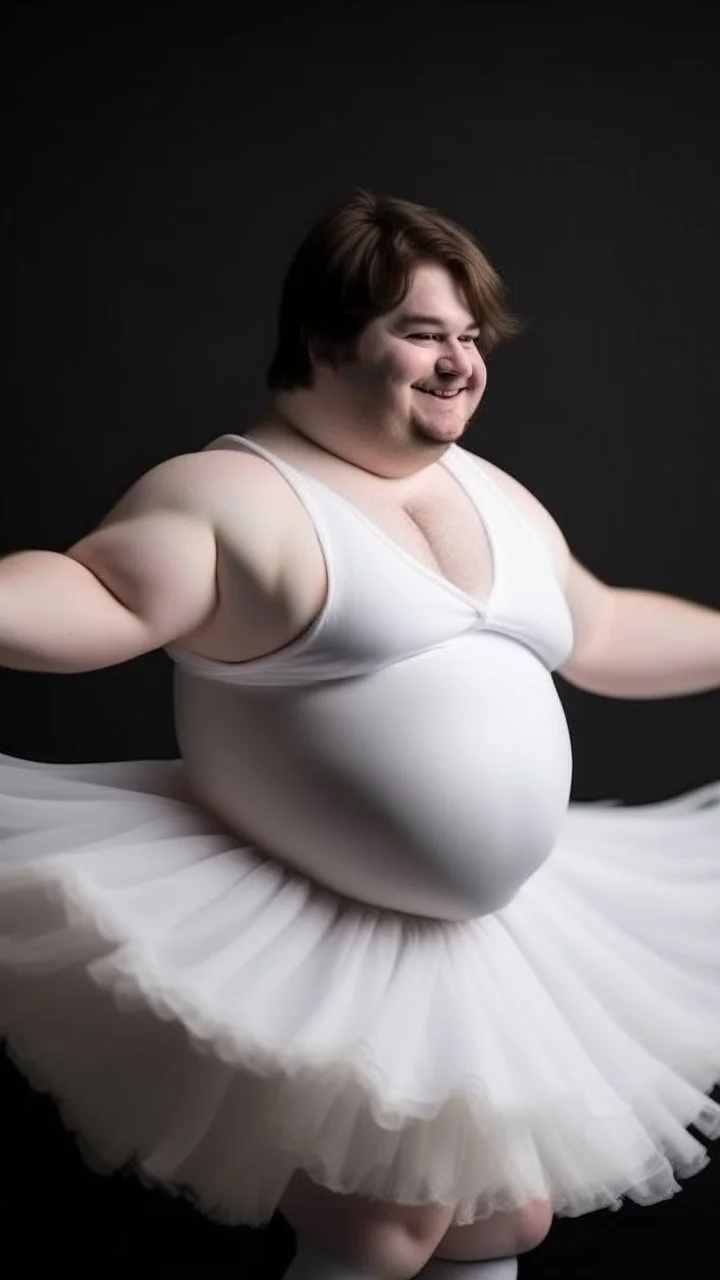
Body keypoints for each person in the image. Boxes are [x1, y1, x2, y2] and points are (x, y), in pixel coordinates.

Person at [1, 189, 719, 1280]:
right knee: (380, 1228)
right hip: (317, 928)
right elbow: (92, 597)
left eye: (470, 337)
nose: (458, 362)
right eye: (421, 333)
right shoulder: (233, 496)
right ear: (323, 340)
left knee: (499, 1217)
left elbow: (606, 627)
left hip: (483, 936)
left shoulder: (492, 492)